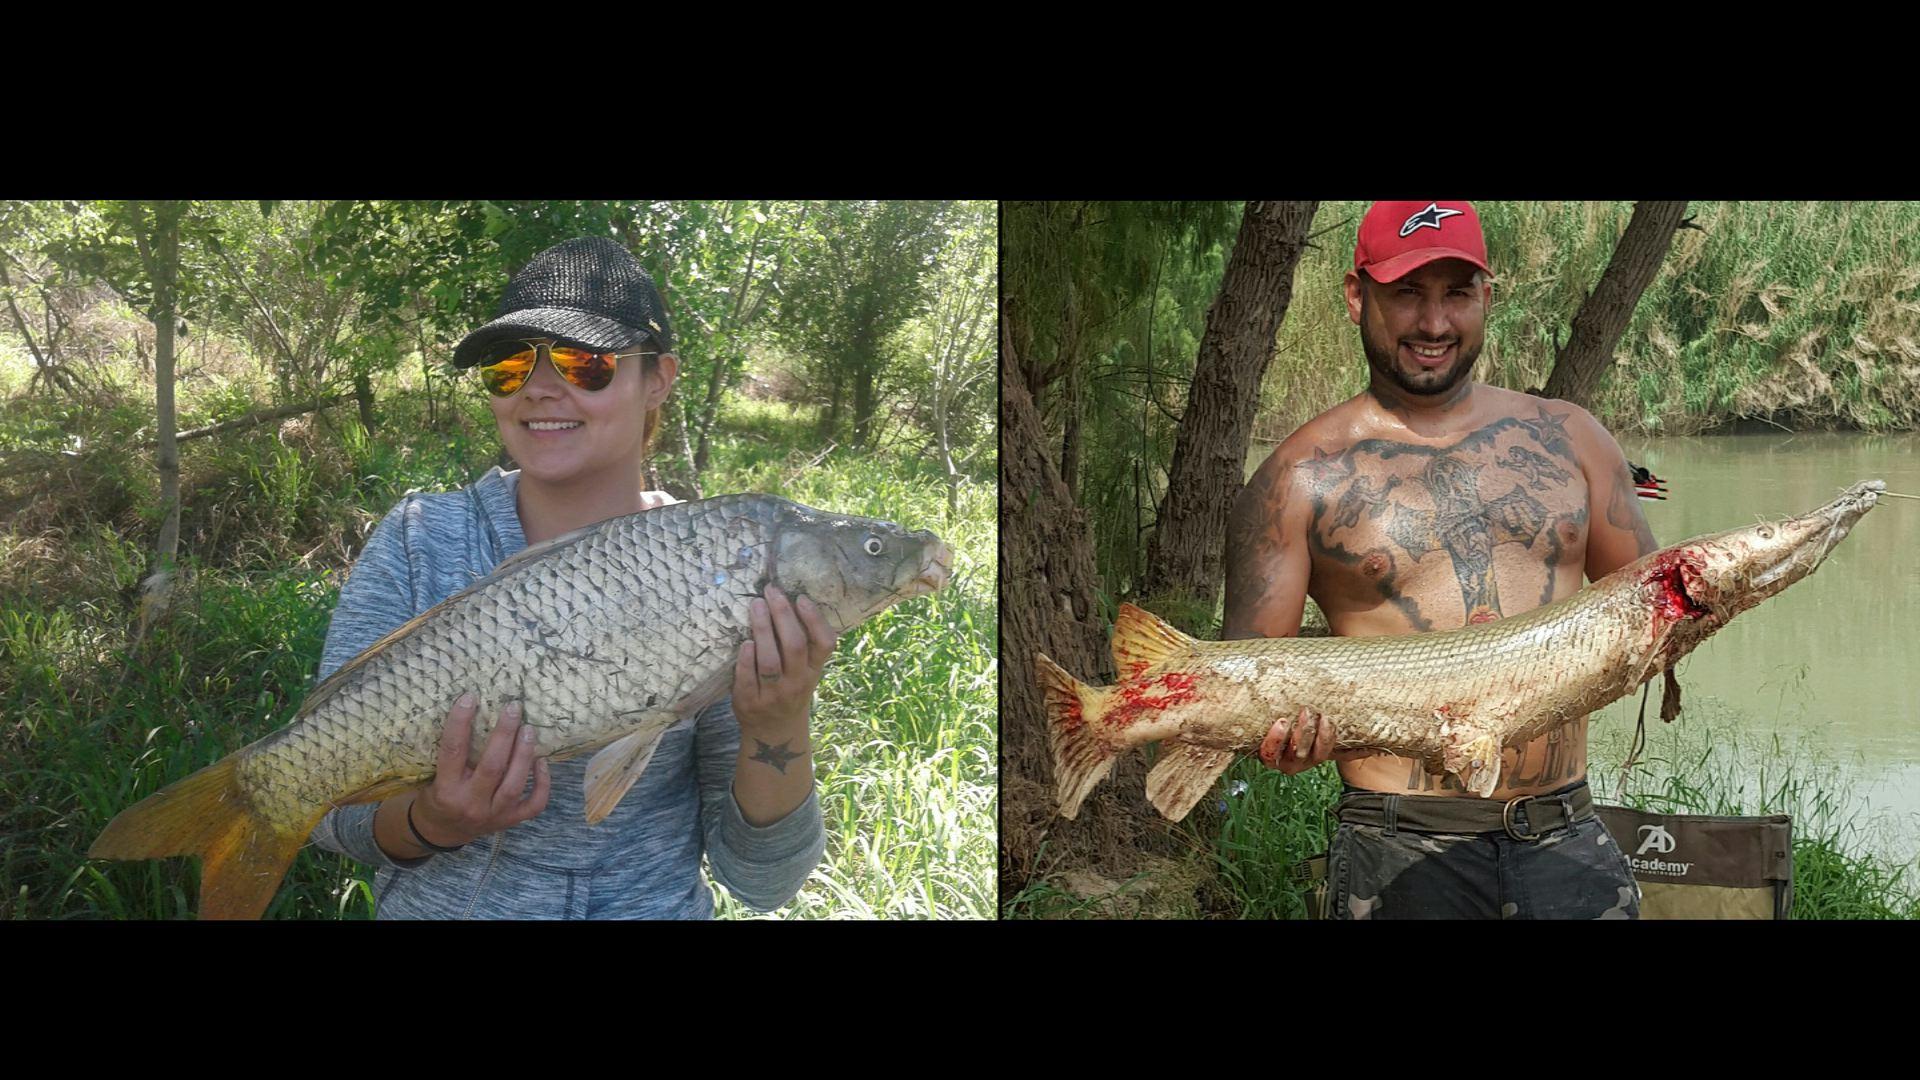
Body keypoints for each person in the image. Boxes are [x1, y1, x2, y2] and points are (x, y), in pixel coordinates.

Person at [309, 236, 828, 919]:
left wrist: (780, 719)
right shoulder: (419, 540)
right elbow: (318, 806)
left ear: (659, 379)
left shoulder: (727, 570)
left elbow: (762, 881)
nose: (540, 388)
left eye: (587, 362)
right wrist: (434, 822)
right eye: (510, 363)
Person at [1222, 201, 1657, 920]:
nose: (1433, 324)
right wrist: (1280, 738)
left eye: (1456, 293)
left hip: (1566, 833)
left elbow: (1653, 615)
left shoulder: (1572, 440)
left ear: (1486, 297)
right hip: (1398, 850)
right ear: (1357, 294)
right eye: (1407, 294)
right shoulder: (1298, 479)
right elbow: (1252, 682)